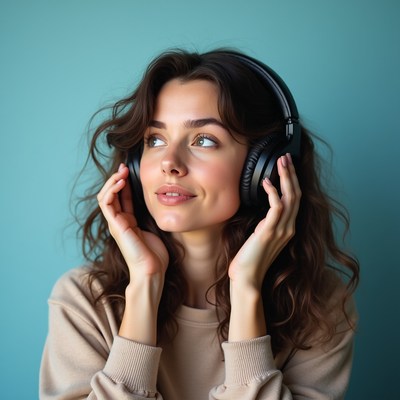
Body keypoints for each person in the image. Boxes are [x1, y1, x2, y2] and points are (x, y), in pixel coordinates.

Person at [40, 48, 359, 399]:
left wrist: (247, 290)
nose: (169, 163)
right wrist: (145, 286)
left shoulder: (320, 305)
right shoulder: (83, 301)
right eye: (155, 140)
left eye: (203, 140)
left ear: (263, 165)